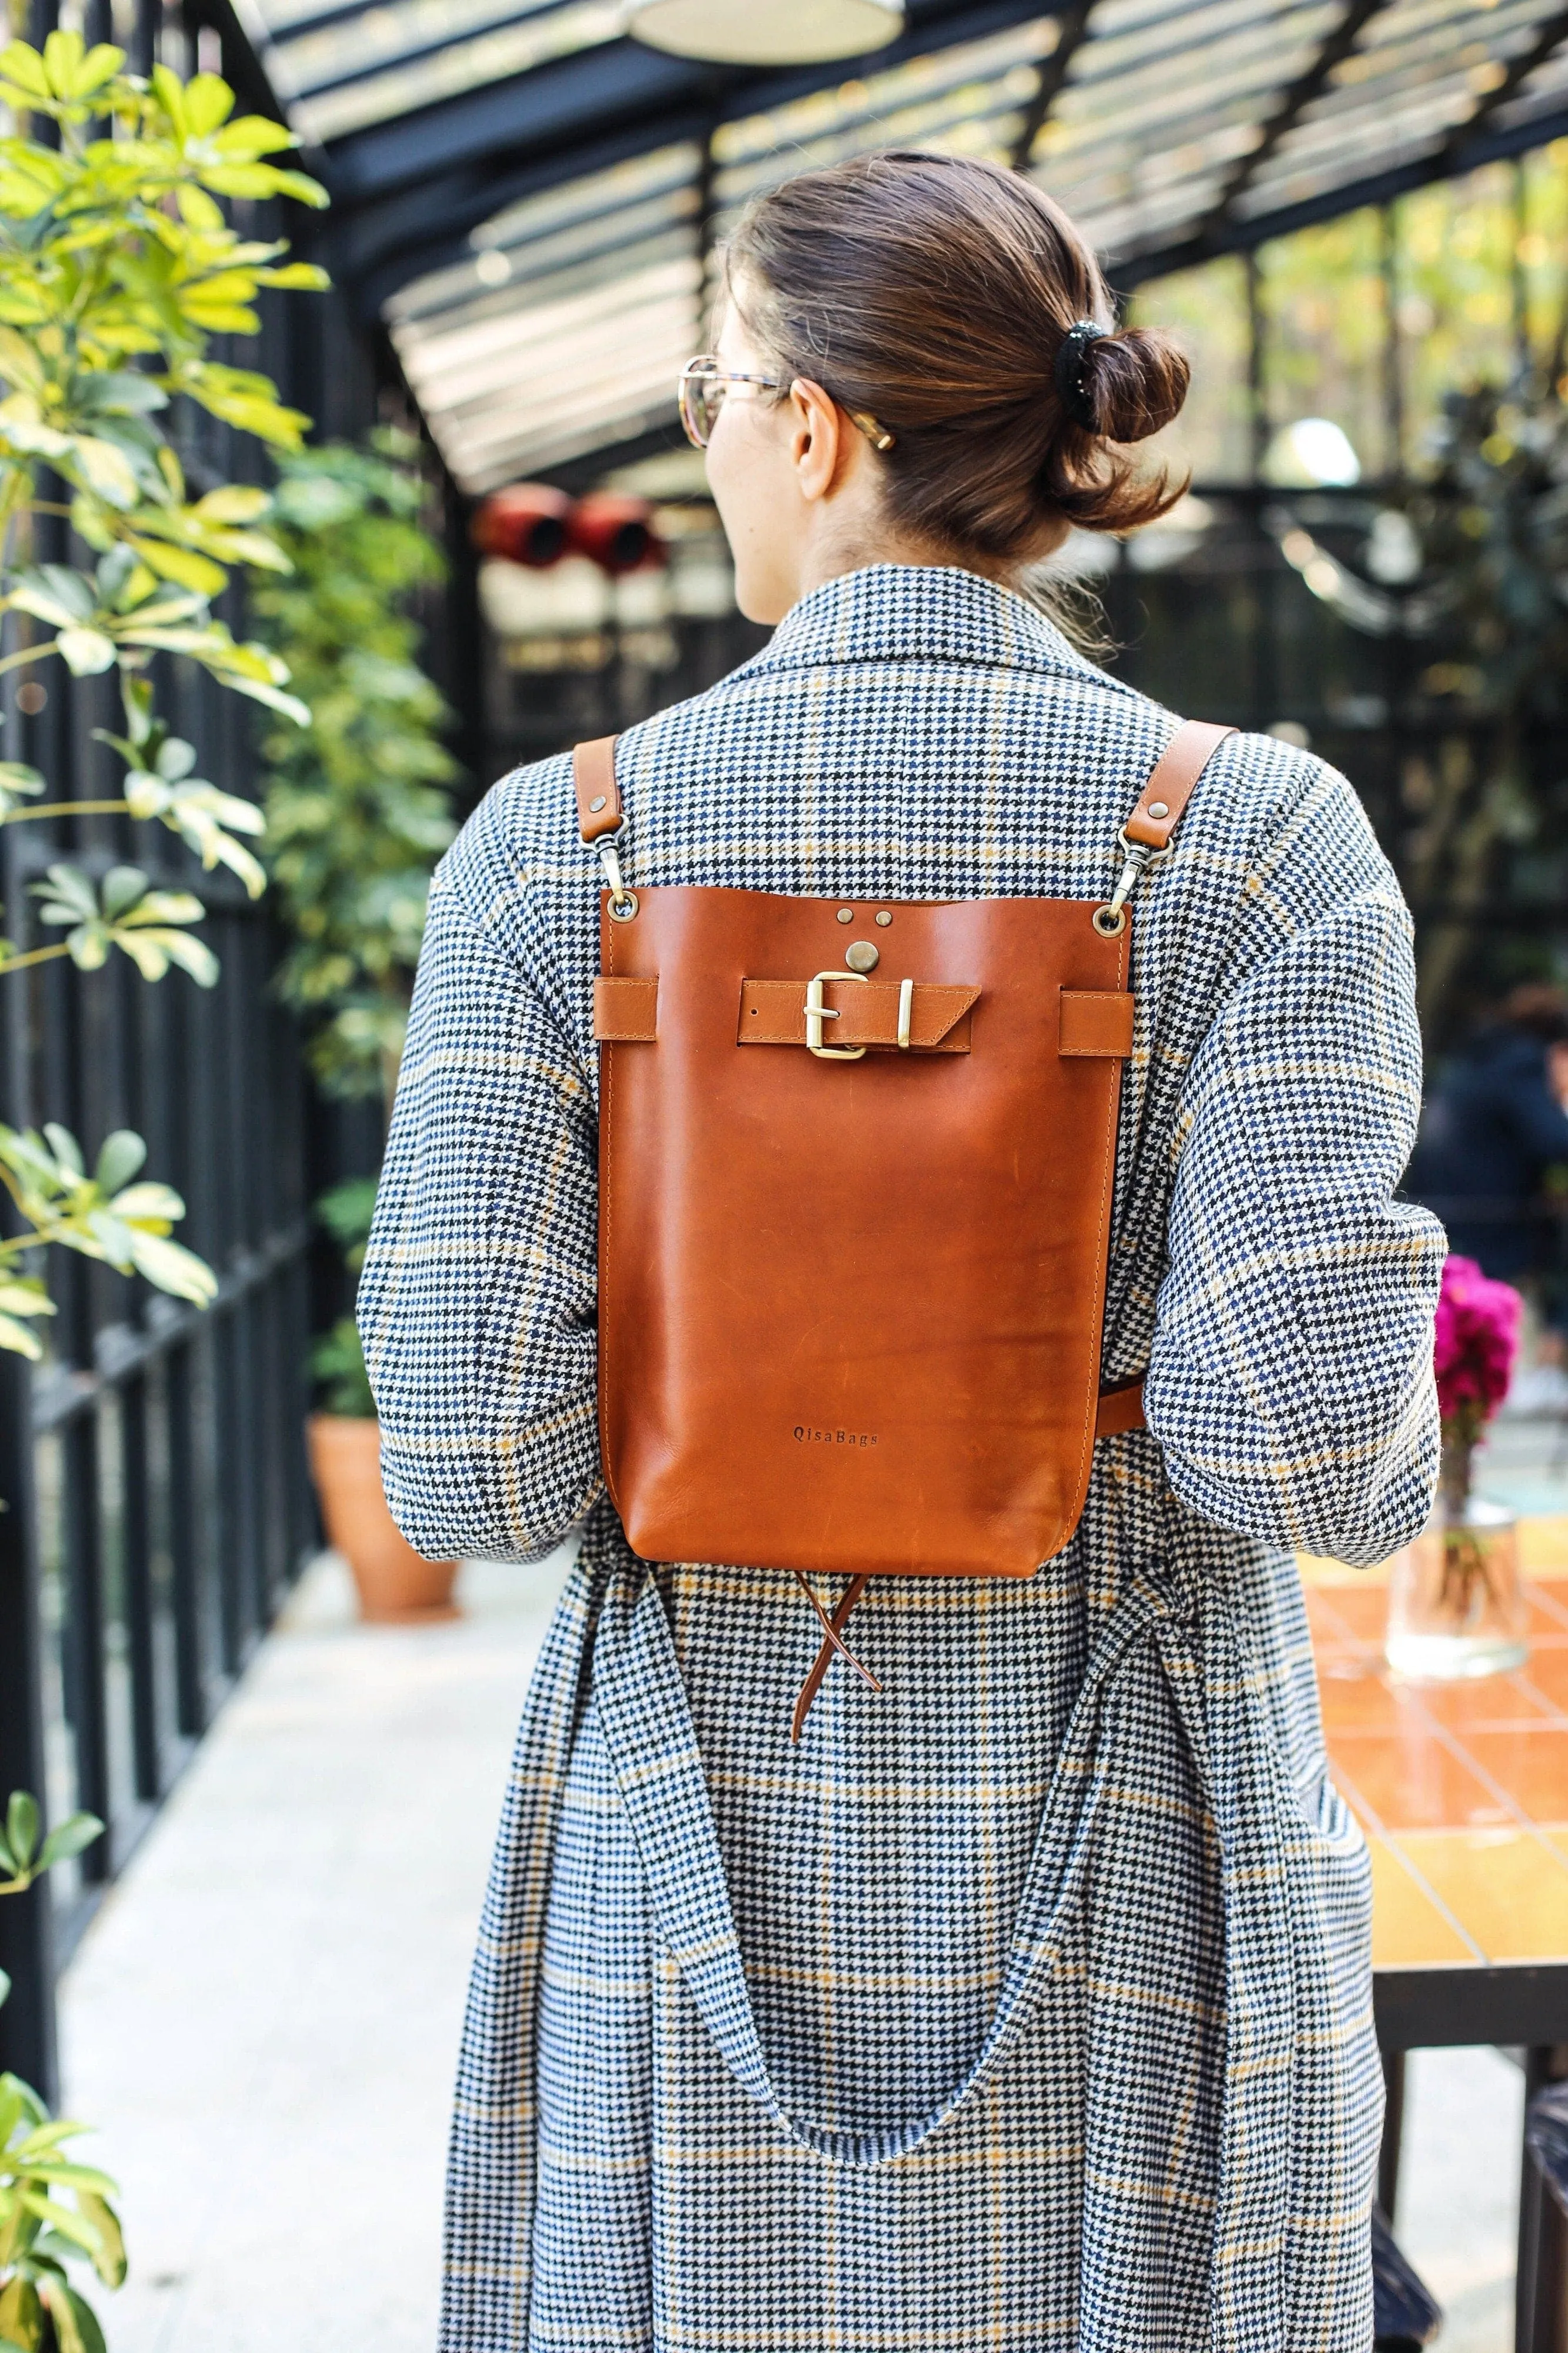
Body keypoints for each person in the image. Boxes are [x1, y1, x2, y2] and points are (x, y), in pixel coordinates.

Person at [359, 152, 1443, 2353]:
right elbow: (1311, 1460)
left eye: (704, 395)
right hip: (1143, 1794)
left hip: (689, 1801)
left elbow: (470, 1467)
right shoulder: (1260, 837)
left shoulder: (550, 846)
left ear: (813, 426)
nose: (701, 446)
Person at [1410, 982, 1568, 1337]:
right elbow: (1556, 1142)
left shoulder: (1480, 1056)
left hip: (1449, 1227)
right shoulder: (1524, 1065)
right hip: (1491, 1241)